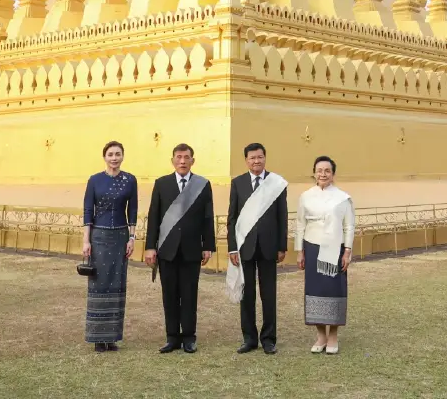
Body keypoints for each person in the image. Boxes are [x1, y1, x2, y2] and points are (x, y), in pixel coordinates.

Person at [144, 143, 215, 353]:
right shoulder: (161, 184)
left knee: (189, 294)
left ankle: (189, 337)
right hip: (167, 249)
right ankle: (172, 337)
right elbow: (154, 217)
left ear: (193, 160)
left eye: (186, 157)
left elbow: (207, 216)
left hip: (192, 249)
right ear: (172, 160)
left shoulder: (202, 184)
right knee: (170, 295)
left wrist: (208, 245)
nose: (182, 161)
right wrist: (150, 247)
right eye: (178, 157)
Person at [226, 142, 289, 355]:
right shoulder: (238, 183)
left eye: (260, 157)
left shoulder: (276, 183)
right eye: (252, 158)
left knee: (268, 295)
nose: (256, 161)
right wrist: (232, 248)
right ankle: (249, 339)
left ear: (265, 158)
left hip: (269, 247)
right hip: (245, 247)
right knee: (247, 295)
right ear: (246, 160)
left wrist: (282, 246)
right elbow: (232, 218)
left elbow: (282, 216)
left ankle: (269, 339)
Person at [82, 141, 138, 352]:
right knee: (99, 284)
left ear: (123, 156)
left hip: (121, 237)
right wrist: (86, 240)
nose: (114, 158)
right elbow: (88, 210)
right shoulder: (95, 180)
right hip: (99, 236)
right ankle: (98, 337)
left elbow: (132, 210)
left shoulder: (130, 180)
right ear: (104, 157)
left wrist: (132, 238)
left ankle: (112, 337)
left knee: (117, 284)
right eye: (110, 154)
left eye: (118, 154)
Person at [296, 155, 354, 355]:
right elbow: (300, 224)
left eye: (327, 171)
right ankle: (320, 335)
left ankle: (333, 336)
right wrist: (299, 251)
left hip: (335, 250)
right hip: (312, 248)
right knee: (315, 291)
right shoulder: (305, 196)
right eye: (319, 170)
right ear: (314, 173)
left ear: (333, 174)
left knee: (333, 290)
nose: (323, 174)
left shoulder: (343, 198)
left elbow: (349, 226)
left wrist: (347, 251)